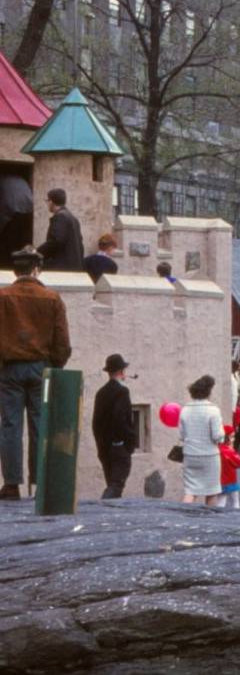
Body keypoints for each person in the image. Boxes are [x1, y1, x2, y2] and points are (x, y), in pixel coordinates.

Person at [0, 246, 71, 500]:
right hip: (41, 366)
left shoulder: (3, 296)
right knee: (40, 425)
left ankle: (11, 484)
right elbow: (62, 340)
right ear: (36, 269)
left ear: (15, 270)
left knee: (10, 425)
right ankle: (40, 482)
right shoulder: (52, 298)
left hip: (9, 368)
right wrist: (55, 366)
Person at [92, 353, 135, 499]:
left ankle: (110, 513)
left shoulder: (101, 393)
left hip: (104, 446)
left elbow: (96, 423)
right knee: (116, 484)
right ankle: (104, 506)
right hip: (118, 446)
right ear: (121, 371)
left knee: (112, 482)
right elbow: (121, 419)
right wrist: (128, 442)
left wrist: (100, 443)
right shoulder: (122, 391)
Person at [178, 375, 224, 506]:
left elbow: (181, 435)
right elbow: (217, 436)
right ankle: (209, 522)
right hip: (209, 455)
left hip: (190, 454)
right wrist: (223, 434)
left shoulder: (185, 410)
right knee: (211, 491)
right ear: (208, 392)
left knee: (190, 491)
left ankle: (185, 517)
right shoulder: (213, 410)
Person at [36, 188, 83, 271]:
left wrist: (36, 253)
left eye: (47, 201)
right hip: (74, 268)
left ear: (51, 201)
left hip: (62, 268)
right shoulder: (73, 218)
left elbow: (55, 242)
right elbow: (81, 245)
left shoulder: (60, 217)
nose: (47, 204)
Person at [218, 426, 240, 509]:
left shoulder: (217, 449)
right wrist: (232, 450)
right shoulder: (228, 451)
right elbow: (239, 463)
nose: (234, 439)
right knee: (235, 501)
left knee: (221, 499)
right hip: (231, 480)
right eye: (232, 437)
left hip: (220, 480)